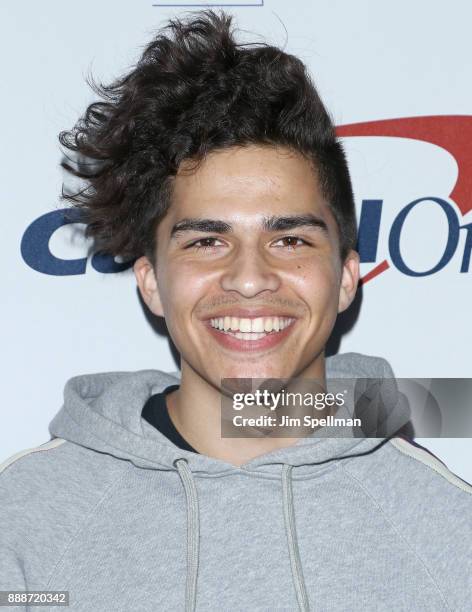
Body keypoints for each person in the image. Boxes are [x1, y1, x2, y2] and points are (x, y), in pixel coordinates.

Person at [1, 10, 470, 612]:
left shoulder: (449, 527)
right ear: (150, 283)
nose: (249, 279)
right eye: (206, 241)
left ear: (348, 277)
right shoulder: (27, 524)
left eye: (290, 240)